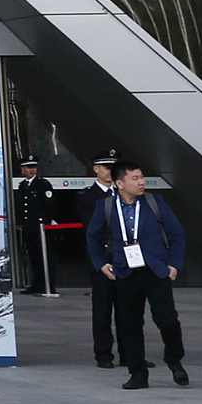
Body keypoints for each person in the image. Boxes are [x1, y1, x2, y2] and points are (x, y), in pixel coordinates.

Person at [84, 161, 188, 390]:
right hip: (125, 272)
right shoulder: (106, 206)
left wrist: (174, 265)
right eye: (135, 178)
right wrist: (101, 264)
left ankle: (174, 359)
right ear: (120, 183)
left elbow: (177, 234)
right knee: (129, 324)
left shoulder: (155, 203)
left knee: (167, 320)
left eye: (142, 177)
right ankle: (137, 372)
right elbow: (92, 236)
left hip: (156, 270)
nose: (141, 182)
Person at [78, 150, 120, 368]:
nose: (110, 171)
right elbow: (92, 231)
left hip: (126, 258)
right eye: (106, 167)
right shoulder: (87, 196)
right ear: (96, 169)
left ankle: (130, 352)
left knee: (129, 309)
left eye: (113, 168)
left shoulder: (123, 193)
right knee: (103, 309)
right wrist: (100, 260)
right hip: (102, 258)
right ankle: (104, 354)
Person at [11, 156, 56, 295]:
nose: (32, 170)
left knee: (45, 257)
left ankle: (49, 285)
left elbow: (49, 205)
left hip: (41, 227)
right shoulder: (23, 185)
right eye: (28, 168)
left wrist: (47, 221)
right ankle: (37, 284)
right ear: (22, 169)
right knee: (33, 257)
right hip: (29, 227)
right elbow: (22, 207)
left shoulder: (43, 184)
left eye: (33, 167)